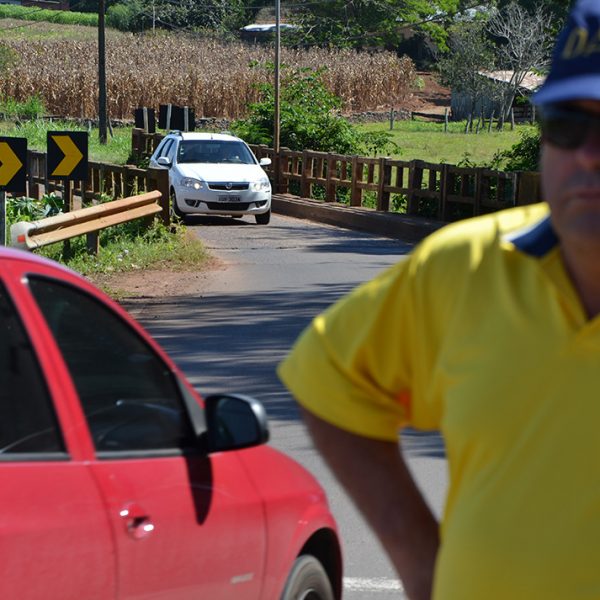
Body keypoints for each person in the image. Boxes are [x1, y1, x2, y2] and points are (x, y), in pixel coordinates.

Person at [277, 2, 600, 598]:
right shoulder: (467, 267)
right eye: (567, 126)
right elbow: (330, 382)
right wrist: (425, 569)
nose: (587, 154)